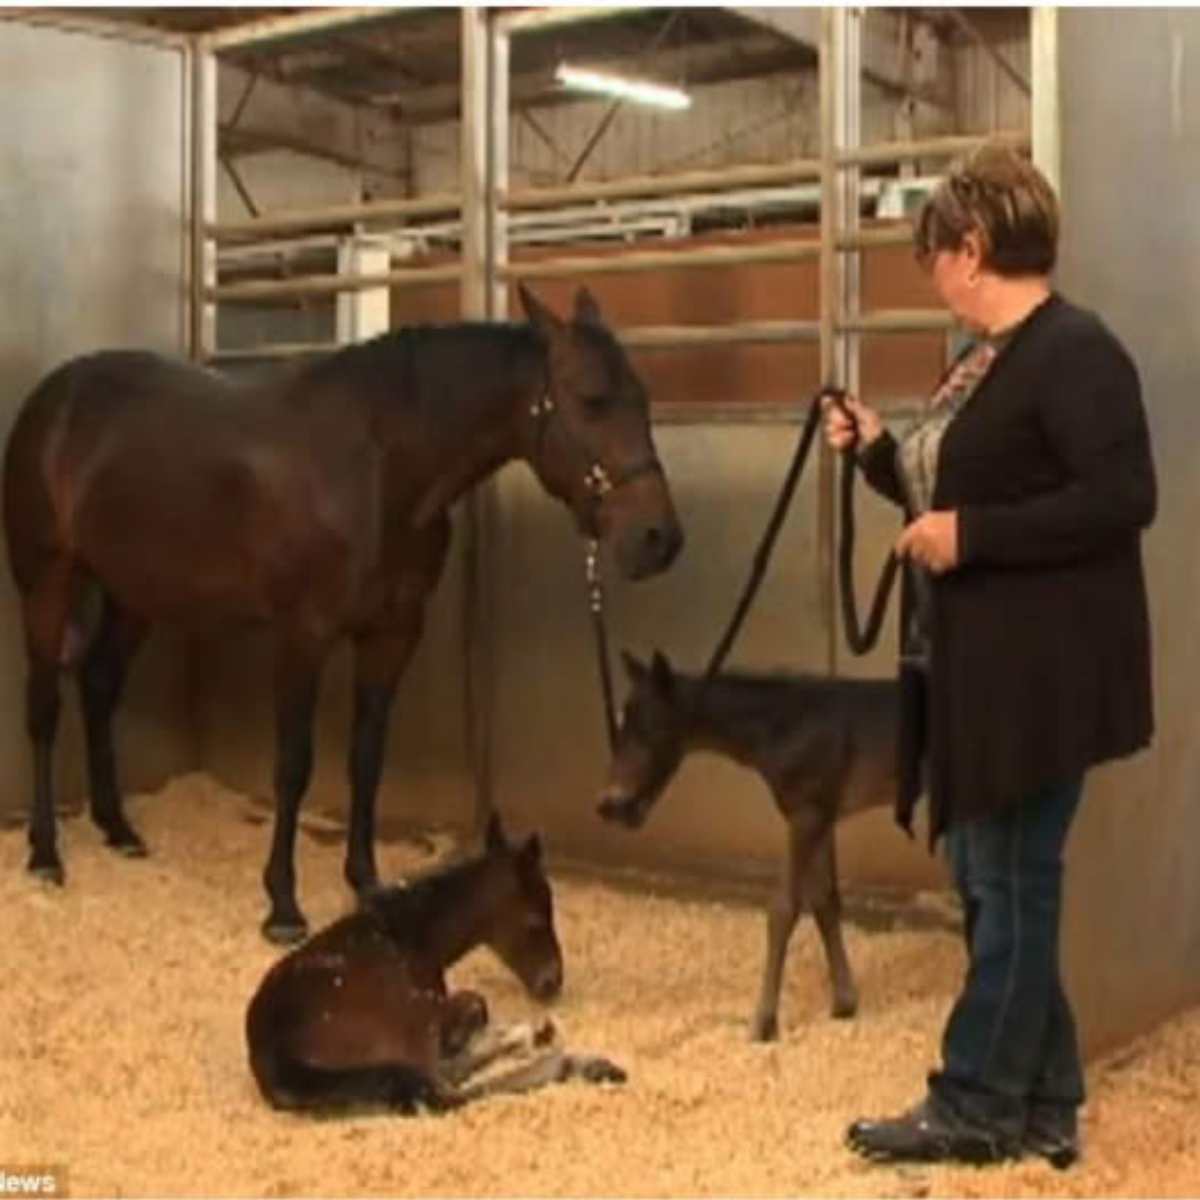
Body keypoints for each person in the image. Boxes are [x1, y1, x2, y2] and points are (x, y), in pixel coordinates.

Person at [822, 143, 1157, 1168]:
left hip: (1038, 678)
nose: (934, 275)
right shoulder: (982, 360)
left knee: (1008, 883)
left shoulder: (1076, 352)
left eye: (935, 255)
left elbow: (1119, 498)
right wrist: (880, 450)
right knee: (995, 878)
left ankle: (972, 1102)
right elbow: (958, 489)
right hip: (974, 670)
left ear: (972, 248)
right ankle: (1045, 1100)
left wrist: (972, 539)